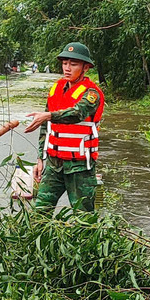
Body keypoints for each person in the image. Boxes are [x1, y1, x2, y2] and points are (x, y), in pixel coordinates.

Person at [25, 42, 105, 213]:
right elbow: (46, 128)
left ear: (85, 68)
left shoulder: (92, 94)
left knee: (83, 218)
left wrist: (48, 115)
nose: (67, 68)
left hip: (80, 167)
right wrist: (40, 158)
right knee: (40, 212)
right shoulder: (56, 88)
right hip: (54, 164)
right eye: (65, 63)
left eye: (73, 64)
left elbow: (77, 114)